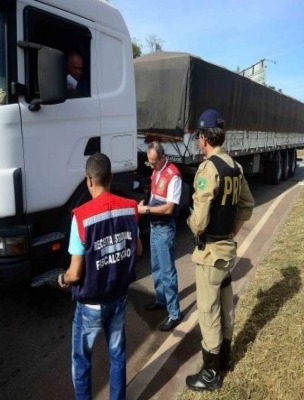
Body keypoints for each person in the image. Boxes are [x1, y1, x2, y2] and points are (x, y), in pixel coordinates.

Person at [58, 153, 142, 400]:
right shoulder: (130, 208)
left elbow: (75, 273)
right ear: (111, 177)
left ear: (88, 181)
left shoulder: (81, 217)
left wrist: (62, 279)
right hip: (118, 298)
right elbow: (137, 249)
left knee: (82, 361)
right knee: (117, 355)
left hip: (91, 305)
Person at [185, 109, 254, 391]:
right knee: (226, 305)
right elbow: (247, 205)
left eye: (199, 136)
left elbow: (199, 221)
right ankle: (225, 358)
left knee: (209, 311)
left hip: (211, 254)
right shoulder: (235, 167)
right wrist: (231, 233)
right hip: (227, 250)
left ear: (204, 137)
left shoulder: (209, 168)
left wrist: (191, 223)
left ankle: (211, 374)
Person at [137, 141, 183, 331]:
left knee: (167, 272)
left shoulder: (174, 176)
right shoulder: (157, 170)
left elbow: (169, 208)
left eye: (154, 162)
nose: (152, 165)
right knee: (156, 268)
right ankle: (161, 299)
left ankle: (174, 313)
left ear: (163, 157)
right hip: (155, 227)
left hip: (164, 228)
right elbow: (156, 194)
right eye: (150, 162)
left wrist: (146, 209)